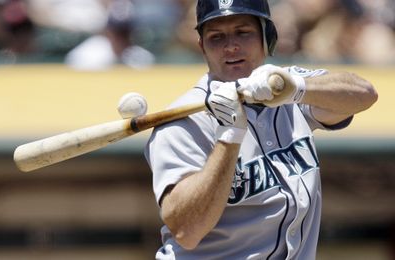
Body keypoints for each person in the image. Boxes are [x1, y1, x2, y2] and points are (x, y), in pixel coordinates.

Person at [145, 0, 378, 259]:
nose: (231, 46)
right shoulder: (185, 121)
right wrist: (228, 138)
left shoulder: (284, 83)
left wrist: (297, 88)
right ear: (202, 47)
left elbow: (364, 94)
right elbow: (186, 232)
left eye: (243, 32)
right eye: (216, 37)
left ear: (266, 36)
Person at [65, 0, 154, 70]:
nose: (121, 39)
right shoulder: (88, 55)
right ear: (108, 31)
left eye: (125, 33)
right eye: (117, 33)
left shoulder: (142, 57)